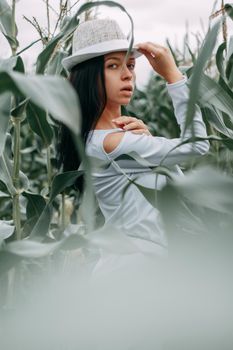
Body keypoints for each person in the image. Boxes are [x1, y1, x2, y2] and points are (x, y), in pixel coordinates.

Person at [59, 18, 209, 274]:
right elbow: (197, 145)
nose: (128, 74)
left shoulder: (104, 139)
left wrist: (148, 143)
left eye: (130, 64)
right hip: (134, 273)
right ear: (88, 76)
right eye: (113, 66)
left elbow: (172, 190)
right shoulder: (112, 142)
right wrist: (173, 75)